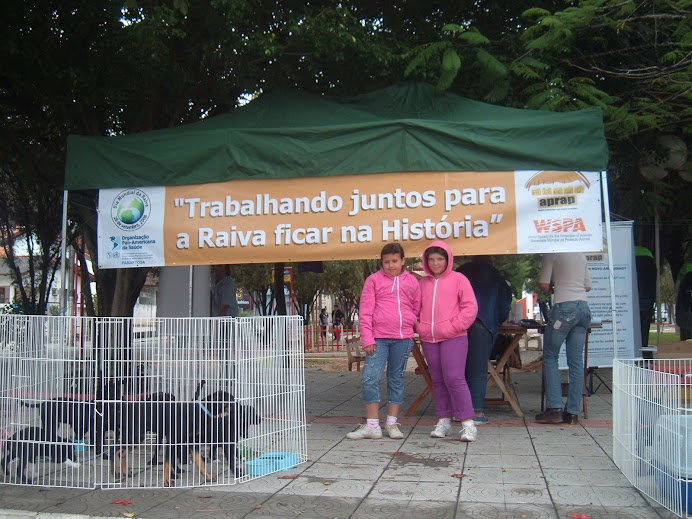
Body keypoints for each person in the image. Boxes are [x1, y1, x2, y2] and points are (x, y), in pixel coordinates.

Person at [346, 243, 421, 440]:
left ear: (403, 261)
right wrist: (367, 337)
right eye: (386, 262)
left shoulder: (412, 282)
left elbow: (416, 307)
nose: (391, 265)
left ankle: (392, 423)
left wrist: (410, 321)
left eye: (395, 261)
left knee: (396, 379)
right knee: (370, 377)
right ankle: (372, 425)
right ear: (381, 263)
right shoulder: (373, 281)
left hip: (403, 339)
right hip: (378, 339)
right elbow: (366, 311)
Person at [418, 240, 479, 441]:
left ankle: (468, 423)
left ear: (448, 260)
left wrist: (454, 326)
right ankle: (443, 420)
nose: (436, 263)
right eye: (432, 259)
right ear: (426, 262)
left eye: (440, 259)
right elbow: (412, 308)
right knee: (437, 380)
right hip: (429, 338)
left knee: (454, 378)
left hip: (454, 337)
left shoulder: (459, 279)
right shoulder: (423, 283)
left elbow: (470, 308)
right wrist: (419, 326)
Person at [535, 252, 592, 425]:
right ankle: (573, 412)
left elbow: (544, 285)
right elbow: (587, 286)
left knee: (551, 356)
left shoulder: (551, 254)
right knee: (576, 361)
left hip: (564, 308)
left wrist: (555, 286)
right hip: (583, 309)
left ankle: (555, 409)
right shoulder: (581, 255)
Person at [457, 256, 512, 424]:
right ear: (491, 260)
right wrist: (499, 319)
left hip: (458, 323)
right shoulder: (495, 275)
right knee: (478, 368)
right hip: (483, 322)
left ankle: (458, 409)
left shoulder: (460, 271)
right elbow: (504, 303)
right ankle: (475, 412)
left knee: (458, 367)